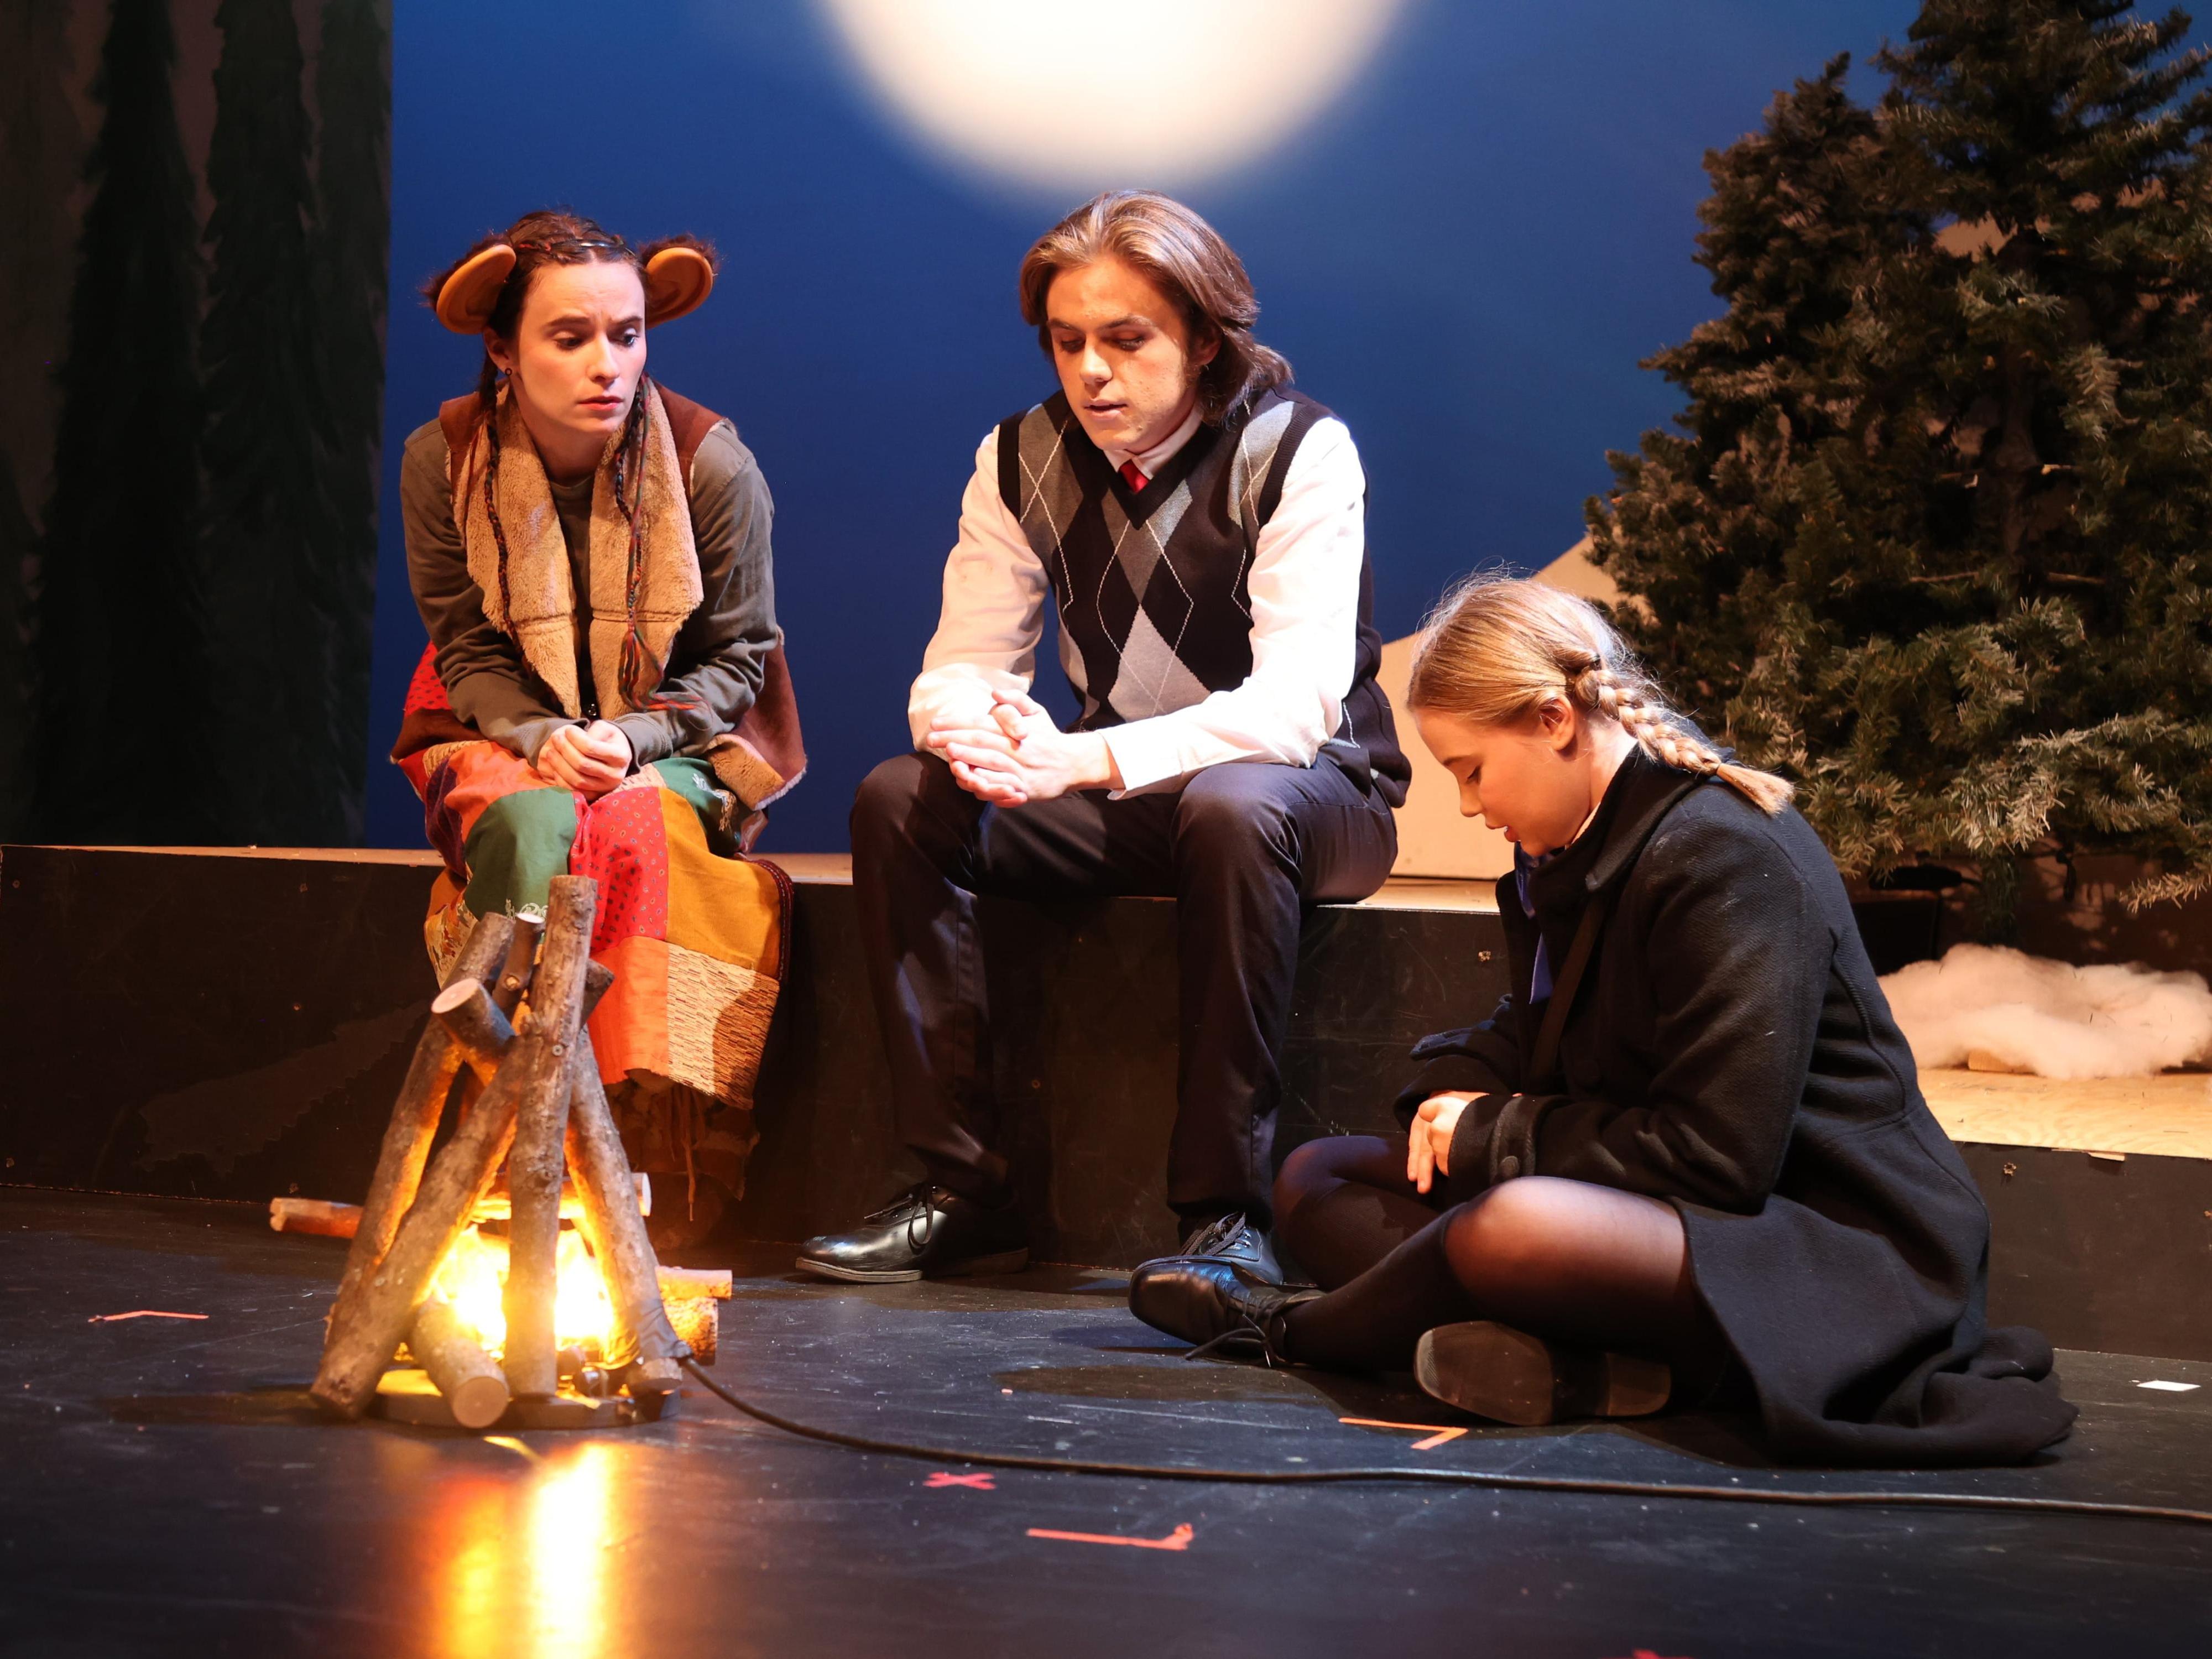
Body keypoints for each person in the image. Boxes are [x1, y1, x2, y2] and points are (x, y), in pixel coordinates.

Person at [1127, 575, 2078, 1465]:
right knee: (1318, 1175)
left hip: (1820, 1240)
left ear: (1553, 721)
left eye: (1473, 771)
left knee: (1512, 1227)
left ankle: (1283, 1328)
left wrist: (1492, 1136)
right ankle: (1599, 1372)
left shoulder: (1724, 856)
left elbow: (1720, 1158)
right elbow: (1551, 1028)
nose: (1469, 805)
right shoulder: (1580, 845)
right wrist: (1447, 1096)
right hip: (1671, 1205)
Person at [795, 190, 1409, 1284]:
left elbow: (1295, 706)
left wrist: (1081, 758)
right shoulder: (1018, 456)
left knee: (1234, 803)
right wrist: (980, 731)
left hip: (1318, 793)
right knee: (902, 797)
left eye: (1125, 340)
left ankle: (1226, 1220)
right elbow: (961, 661)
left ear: (1204, 340)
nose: (1090, 371)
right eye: (1068, 342)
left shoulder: (1296, 450)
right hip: (1127, 795)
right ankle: (959, 1188)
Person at [393, 210, 805, 1244]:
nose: (606, 364)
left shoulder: (712, 464)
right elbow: (465, 649)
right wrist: (539, 736)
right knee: (535, 828)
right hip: (496, 718)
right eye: (569, 337)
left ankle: (639, 1153)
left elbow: (738, 660)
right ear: (502, 347)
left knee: (625, 831)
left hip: (684, 727)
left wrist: (631, 740)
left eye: (626, 335)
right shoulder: (443, 461)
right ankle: (504, 1136)